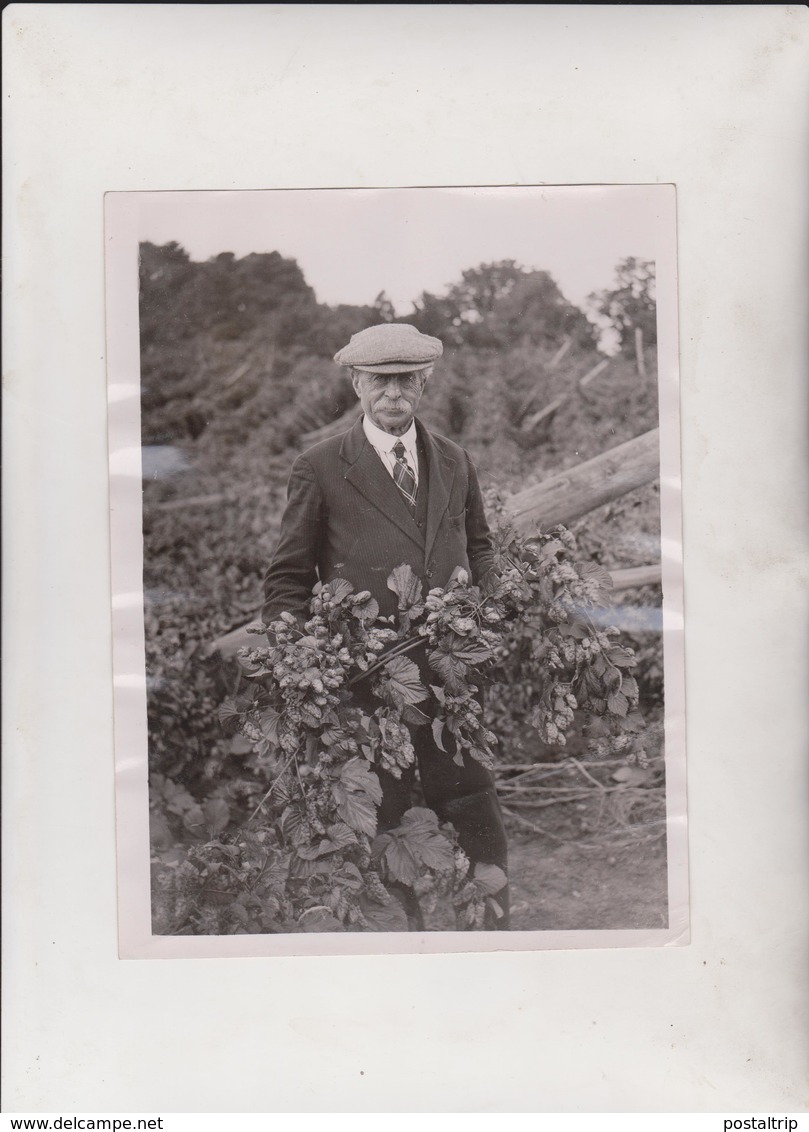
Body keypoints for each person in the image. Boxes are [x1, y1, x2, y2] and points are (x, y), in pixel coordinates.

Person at [263, 323, 508, 929]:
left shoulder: (453, 460)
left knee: (469, 792)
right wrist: (295, 655)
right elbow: (288, 575)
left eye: (406, 380)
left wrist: (496, 601)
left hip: (451, 672)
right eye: (380, 381)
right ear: (356, 383)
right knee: (384, 801)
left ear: (424, 383)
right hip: (366, 677)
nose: (394, 394)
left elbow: (480, 549)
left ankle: (492, 920)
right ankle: (405, 936)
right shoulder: (321, 466)